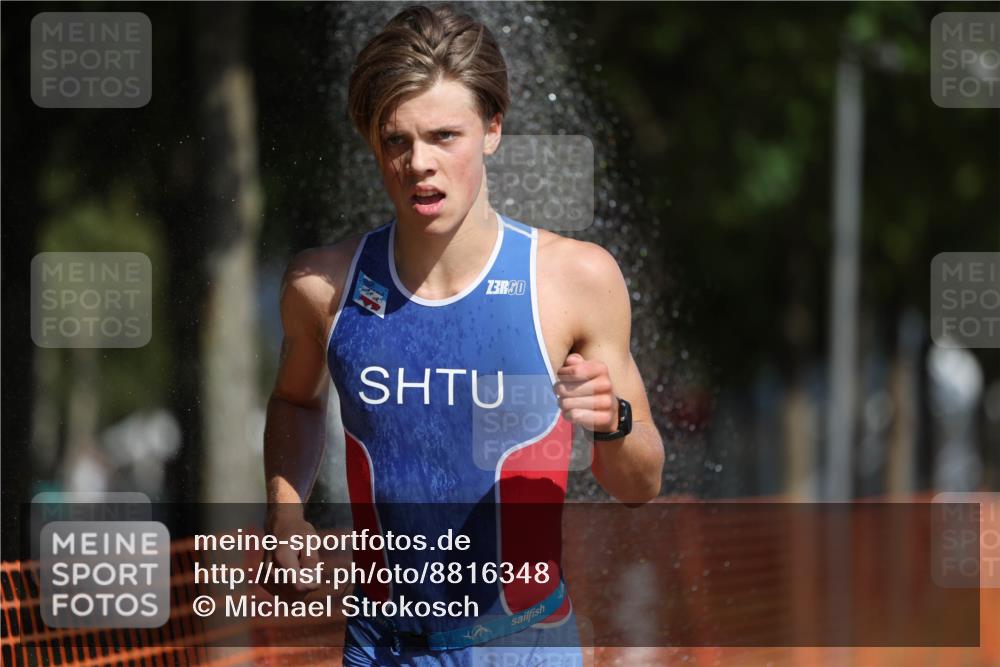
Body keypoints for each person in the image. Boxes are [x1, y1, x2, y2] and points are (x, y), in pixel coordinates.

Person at [263, 4, 664, 665]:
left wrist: (612, 421)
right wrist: (284, 511)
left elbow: (640, 483)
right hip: (381, 647)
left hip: (525, 643)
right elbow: (296, 400)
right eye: (397, 140)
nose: (419, 163)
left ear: (492, 129)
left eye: (445, 135)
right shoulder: (321, 285)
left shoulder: (574, 279)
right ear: (372, 143)